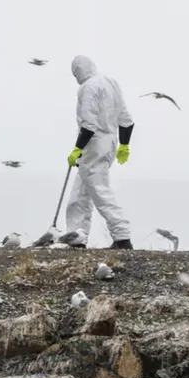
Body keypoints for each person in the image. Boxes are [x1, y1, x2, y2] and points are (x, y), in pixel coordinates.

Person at [61, 55, 135, 250]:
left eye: (75, 73)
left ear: (78, 70)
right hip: (109, 142)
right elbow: (126, 118)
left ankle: (122, 237)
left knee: (100, 190)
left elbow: (89, 124)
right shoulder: (111, 83)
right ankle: (76, 237)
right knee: (80, 193)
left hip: (94, 144)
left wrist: (78, 148)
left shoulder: (87, 88)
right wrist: (124, 144)